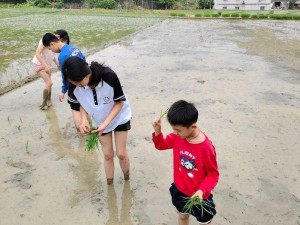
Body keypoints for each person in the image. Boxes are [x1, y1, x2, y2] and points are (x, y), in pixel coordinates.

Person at [62, 56, 131, 185]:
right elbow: (81, 103)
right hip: (100, 119)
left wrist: (106, 124)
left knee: (121, 154)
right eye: (74, 83)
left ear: (86, 72)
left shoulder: (109, 76)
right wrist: (84, 120)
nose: (79, 86)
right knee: (107, 155)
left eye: (80, 82)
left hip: (119, 116)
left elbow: (119, 102)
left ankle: (127, 180)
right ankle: (110, 184)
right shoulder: (75, 85)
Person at [152, 100, 219, 225]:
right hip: (180, 189)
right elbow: (161, 145)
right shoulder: (178, 137)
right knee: (182, 217)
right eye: (173, 129)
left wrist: (201, 191)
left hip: (200, 197)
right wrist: (157, 131)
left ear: (192, 126)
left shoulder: (206, 147)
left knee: (204, 222)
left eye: (178, 130)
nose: (175, 133)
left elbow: (213, 174)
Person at [42, 32, 86, 129]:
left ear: (52, 44)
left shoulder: (62, 56)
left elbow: (65, 77)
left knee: (75, 108)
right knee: (85, 105)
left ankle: (81, 131)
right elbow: (84, 61)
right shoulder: (74, 48)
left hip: (74, 84)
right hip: (86, 81)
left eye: (50, 49)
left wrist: (63, 91)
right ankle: (88, 125)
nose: (52, 51)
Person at [32, 33, 60, 110]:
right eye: (57, 36)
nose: (58, 39)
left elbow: (53, 55)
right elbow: (37, 53)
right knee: (49, 82)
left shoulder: (55, 43)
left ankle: (49, 100)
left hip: (47, 65)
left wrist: (57, 64)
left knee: (49, 84)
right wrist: (45, 65)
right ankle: (43, 103)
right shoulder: (45, 41)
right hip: (39, 64)